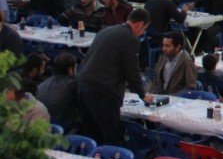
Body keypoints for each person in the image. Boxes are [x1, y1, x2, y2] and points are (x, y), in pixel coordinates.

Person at [76, 9, 154, 145]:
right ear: (140, 25)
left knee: (91, 135)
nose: (142, 34)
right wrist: (143, 95)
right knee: (111, 137)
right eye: (144, 29)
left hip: (83, 84)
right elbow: (132, 72)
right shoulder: (130, 39)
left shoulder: (106, 31)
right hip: (103, 91)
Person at [36, 53, 81, 129]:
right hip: (65, 126)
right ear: (70, 70)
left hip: (42, 124)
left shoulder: (41, 85)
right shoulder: (74, 85)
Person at [149, 31, 198, 95]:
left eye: (167, 46)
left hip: (177, 100)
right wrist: (152, 94)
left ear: (178, 47)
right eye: (163, 45)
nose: (163, 49)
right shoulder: (163, 57)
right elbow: (156, 80)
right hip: (160, 98)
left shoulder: (186, 62)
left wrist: (173, 97)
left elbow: (191, 86)